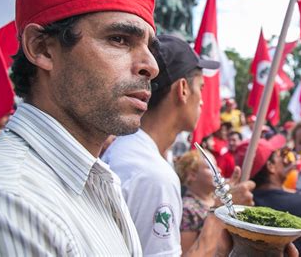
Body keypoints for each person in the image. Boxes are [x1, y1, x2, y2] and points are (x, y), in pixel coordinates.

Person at [0, 0, 159, 255]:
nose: (151, 66)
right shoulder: (10, 201)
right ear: (42, 48)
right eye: (119, 39)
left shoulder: (99, 178)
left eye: (149, 47)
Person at [104, 34, 254, 256]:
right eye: (201, 88)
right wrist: (219, 215)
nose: (202, 100)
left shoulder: (133, 151)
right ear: (183, 89)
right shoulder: (152, 174)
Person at [175, 149, 217, 254]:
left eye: (216, 166)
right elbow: (187, 252)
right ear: (192, 175)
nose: (218, 171)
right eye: (210, 167)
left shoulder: (216, 199)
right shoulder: (187, 209)